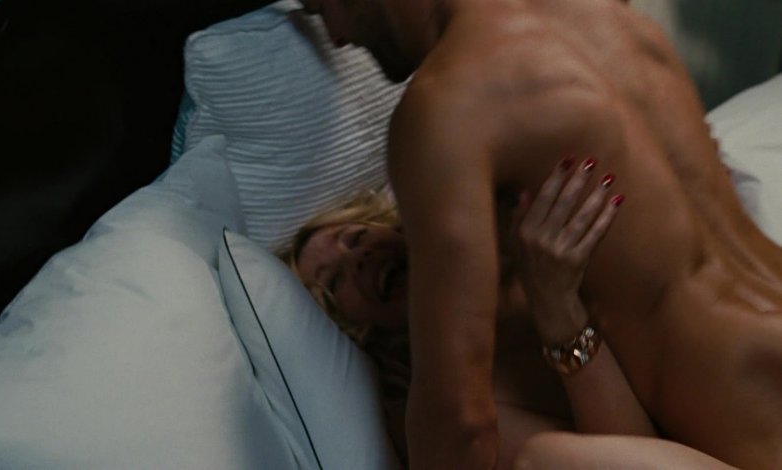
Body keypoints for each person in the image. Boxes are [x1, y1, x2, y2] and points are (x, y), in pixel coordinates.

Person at [297, 0, 782, 468]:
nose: (336, 37)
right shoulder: (602, 12)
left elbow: (460, 426)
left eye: (321, 7)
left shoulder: (448, 106)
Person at [283, 163, 735, 469]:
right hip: (673, 449)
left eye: (355, 237)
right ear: (353, 330)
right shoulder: (439, 401)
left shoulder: (520, 240)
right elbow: (630, 456)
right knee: (546, 456)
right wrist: (559, 313)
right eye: (334, 282)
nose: (357, 257)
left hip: (723, 410)